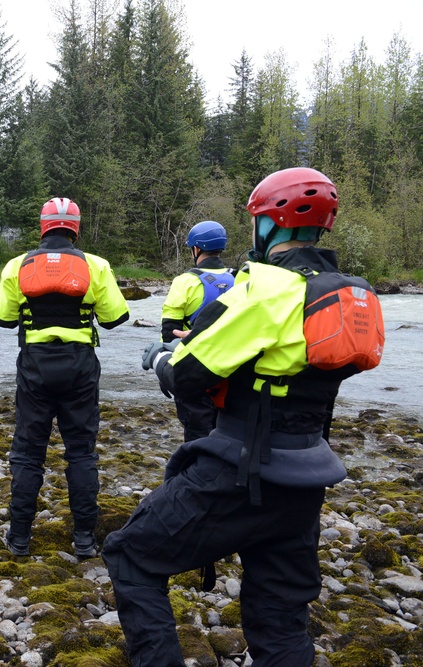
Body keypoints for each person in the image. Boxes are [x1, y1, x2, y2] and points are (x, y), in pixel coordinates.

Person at [104, 167, 385, 667]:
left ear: (268, 224)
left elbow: (188, 376)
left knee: (131, 556)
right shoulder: (345, 293)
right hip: (306, 479)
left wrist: (165, 356)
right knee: (279, 620)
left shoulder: (265, 290)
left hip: (240, 472)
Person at [0, 197, 129, 559]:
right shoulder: (97, 266)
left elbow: (3, 319)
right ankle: (84, 538)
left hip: (34, 367)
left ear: (44, 226)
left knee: (27, 453)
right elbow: (116, 318)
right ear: (75, 228)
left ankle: (19, 538)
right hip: (80, 367)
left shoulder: (17, 266)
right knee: (81, 453)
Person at [160, 220, 235, 441]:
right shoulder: (239, 278)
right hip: (232, 371)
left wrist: (166, 372)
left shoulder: (185, 281)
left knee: (197, 434)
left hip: (195, 370)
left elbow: (169, 332)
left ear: (196, 248)